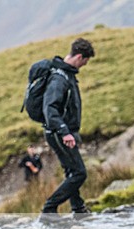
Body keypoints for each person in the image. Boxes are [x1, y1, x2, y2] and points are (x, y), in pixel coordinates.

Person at [40, 38, 95, 217]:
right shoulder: (59, 78)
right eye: (85, 62)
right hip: (59, 132)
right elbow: (50, 108)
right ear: (79, 57)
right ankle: (49, 208)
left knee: (71, 171)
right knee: (79, 173)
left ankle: (78, 207)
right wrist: (64, 132)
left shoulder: (66, 74)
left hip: (63, 131)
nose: (84, 66)